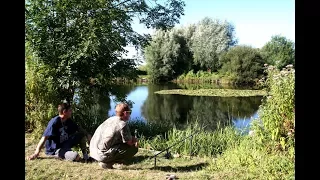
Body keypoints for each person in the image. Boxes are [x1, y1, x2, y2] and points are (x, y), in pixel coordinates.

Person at [27, 102, 92, 162]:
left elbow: (78, 128)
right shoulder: (54, 122)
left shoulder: (68, 120)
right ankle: (58, 155)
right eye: (70, 110)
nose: (71, 112)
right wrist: (36, 153)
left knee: (81, 135)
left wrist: (88, 134)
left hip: (65, 144)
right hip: (56, 149)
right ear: (64, 112)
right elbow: (44, 138)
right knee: (76, 156)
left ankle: (86, 157)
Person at [89, 102, 139, 169]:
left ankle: (111, 159)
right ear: (125, 113)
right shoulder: (123, 124)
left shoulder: (110, 119)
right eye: (130, 112)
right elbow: (129, 143)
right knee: (133, 148)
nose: (130, 114)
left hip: (93, 151)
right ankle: (107, 163)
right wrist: (135, 141)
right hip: (101, 155)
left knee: (122, 144)